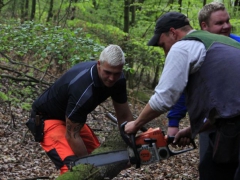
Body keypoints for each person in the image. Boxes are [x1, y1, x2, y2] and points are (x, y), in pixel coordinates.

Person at [124, 11, 240, 180]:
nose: (165, 52)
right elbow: (226, 103)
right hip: (231, 122)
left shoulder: (182, 46)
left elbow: (164, 99)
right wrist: (192, 130)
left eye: (163, 45)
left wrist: (135, 124)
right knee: (209, 168)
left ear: (173, 33)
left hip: (234, 125)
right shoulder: (222, 42)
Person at [26, 44, 134, 175]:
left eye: (116, 73)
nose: (111, 78)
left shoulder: (119, 80)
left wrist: (130, 146)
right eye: (107, 72)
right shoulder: (83, 89)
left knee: (103, 158)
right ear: (99, 64)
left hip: (72, 118)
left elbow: (123, 115)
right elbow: (72, 135)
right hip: (48, 119)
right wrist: (89, 168)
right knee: (74, 169)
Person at [167, 2, 240, 162]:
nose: (226, 26)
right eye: (219, 23)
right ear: (204, 26)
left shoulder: (237, 45)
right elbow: (183, 85)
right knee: (210, 165)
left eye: (227, 21)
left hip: (233, 118)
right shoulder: (196, 49)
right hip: (210, 121)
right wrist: (174, 122)